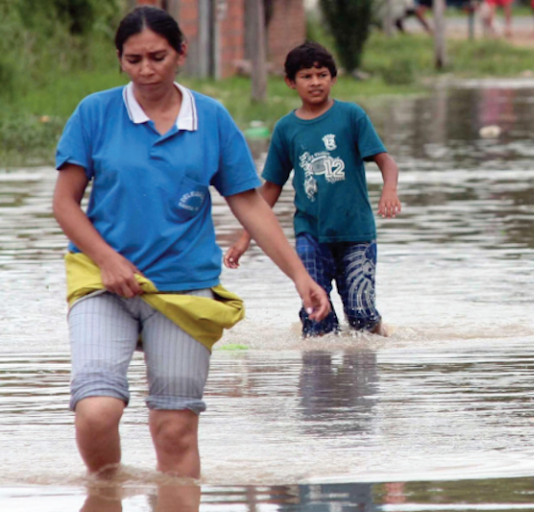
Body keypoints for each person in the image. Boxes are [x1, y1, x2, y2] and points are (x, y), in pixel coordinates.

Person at [53, 6, 330, 479]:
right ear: (119, 59)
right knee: (97, 410)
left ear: (181, 53)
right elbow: (64, 203)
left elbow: (249, 204)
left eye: (157, 57)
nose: (146, 70)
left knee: (175, 430)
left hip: (184, 288)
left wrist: (300, 276)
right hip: (104, 283)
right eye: (133, 59)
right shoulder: (95, 113)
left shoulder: (212, 119)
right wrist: (107, 259)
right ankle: (106, 492)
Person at [224, 42, 402, 337]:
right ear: (291, 82)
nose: (315, 82)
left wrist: (390, 190)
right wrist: (245, 239)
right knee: (317, 319)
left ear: (333, 78)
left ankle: (378, 342)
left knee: (361, 317)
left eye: (321, 74)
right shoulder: (286, 129)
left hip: (356, 233)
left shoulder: (351, 116)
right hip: (310, 233)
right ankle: (317, 376)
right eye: (306, 76)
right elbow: (270, 189)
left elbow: (387, 162)